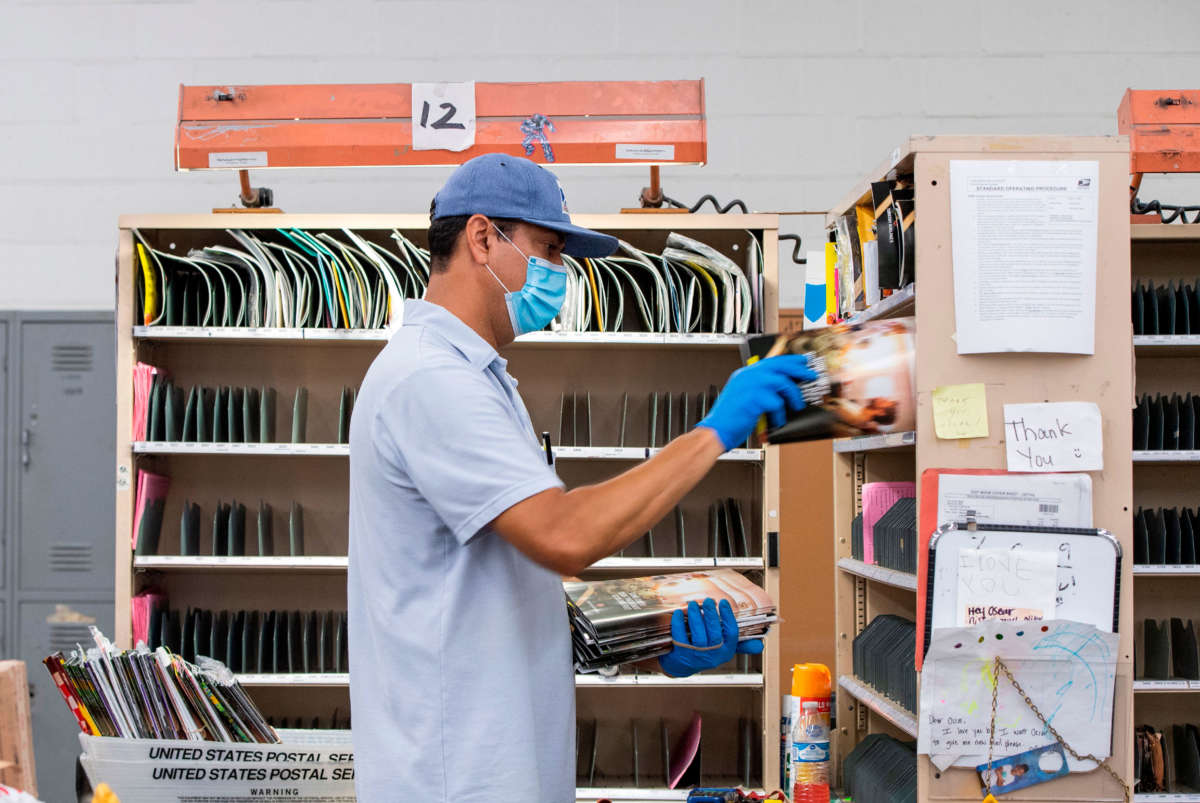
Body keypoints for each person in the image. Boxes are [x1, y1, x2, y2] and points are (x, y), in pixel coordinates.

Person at [347, 153, 815, 801]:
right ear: (482, 238)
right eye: (547, 248)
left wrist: (649, 642)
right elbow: (563, 533)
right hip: (456, 778)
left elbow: (504, 591)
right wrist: (717, 430)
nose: (560, 274)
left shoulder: (474, 378)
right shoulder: (432, 379)